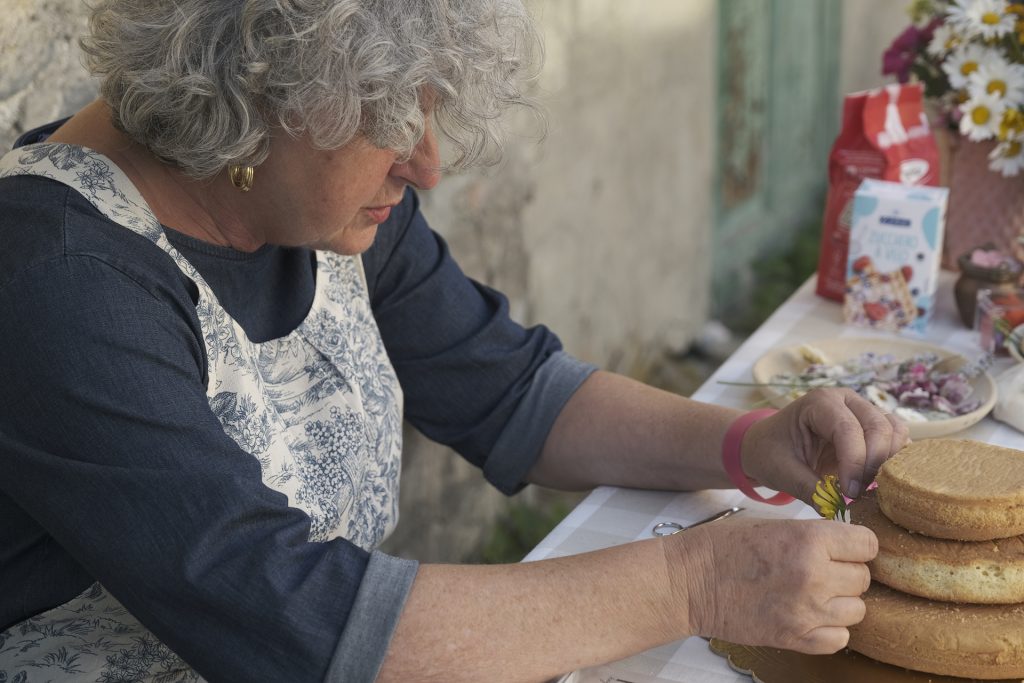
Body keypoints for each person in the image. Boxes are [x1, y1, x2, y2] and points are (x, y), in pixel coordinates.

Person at [0, 1, 909, 682]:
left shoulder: (318, 202)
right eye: (388, 113)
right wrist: (692, 584)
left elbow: (511, 391)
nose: (427, 160)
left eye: (431, 105)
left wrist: (745, 441)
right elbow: (289, 620)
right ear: (250, 88)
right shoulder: (57, 279)